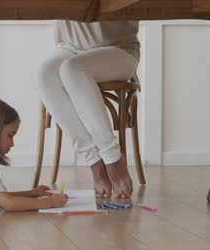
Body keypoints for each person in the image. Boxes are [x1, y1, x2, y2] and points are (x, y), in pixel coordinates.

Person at [36, 12, 140, 198]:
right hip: (69, 48)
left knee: (72, 68)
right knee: (45, 73)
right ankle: (95, 162)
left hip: (119, 49)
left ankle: (113, 160)